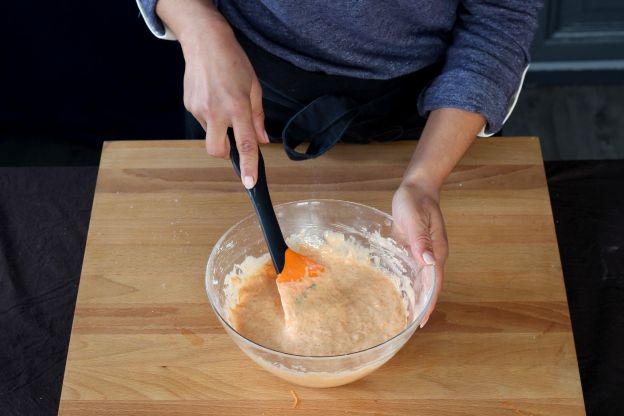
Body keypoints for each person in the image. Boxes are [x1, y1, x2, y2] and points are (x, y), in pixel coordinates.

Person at [136, 0, 542, 327]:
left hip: (431, 119)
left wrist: (423, 182)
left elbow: (500, 19)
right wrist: (199, 26)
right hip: (241, 89)